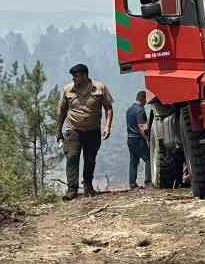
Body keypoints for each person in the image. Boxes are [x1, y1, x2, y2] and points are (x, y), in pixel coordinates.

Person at [55, 63, 113, 199]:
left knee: (90, 159)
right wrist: (58, 130)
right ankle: (72, 189)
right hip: (73, 130)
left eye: (76, 76)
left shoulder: (100, 88)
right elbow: (61, 111)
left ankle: (88, 186)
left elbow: (108, 108)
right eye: (72, 77)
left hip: (93, 130)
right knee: (72, 157)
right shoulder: (67, 90)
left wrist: (107, 126)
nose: (73, 79)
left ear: (85, 75)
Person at [125, 90, 152, 189]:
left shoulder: (129, 109)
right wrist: (147, 138)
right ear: (143, 99)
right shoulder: (140, 110)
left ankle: (132, 184)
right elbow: (141, 126)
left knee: (133, 161)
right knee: (148, 159)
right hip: (138, 139)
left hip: (130, 139)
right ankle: (148, 182)